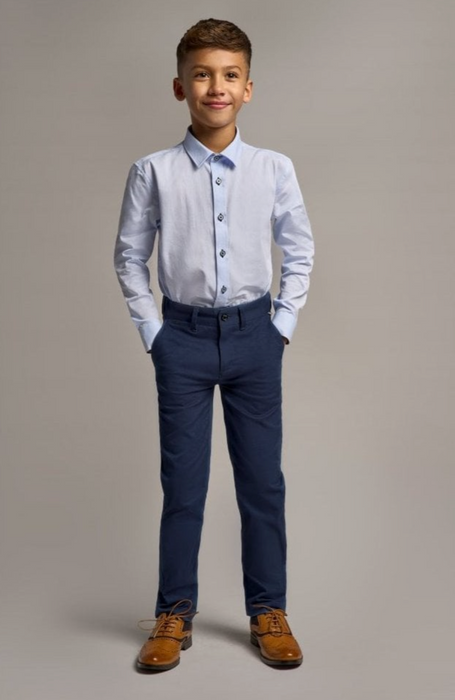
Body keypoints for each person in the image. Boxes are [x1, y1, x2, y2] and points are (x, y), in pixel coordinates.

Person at [113, 18, 315, 672]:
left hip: (256, 337)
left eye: (229, 75)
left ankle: (268, 610)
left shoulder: (273, 168)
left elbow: (300, 248)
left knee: (262, 483)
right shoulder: (152, 171)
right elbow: (129, 257)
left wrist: (281, 325)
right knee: (183, 485)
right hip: (184, 340)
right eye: (201, 74)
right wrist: (155, 333)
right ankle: (174, 612)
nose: (216, 87)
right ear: (180, 87)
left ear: (248, 88)